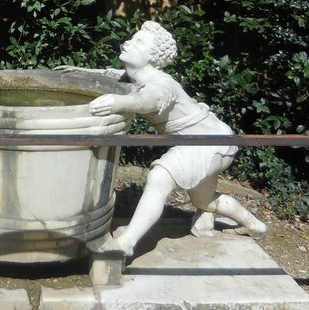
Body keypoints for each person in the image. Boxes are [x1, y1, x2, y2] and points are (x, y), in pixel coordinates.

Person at [87, 21, 266, 258]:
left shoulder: (162, 84)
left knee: (159, 177)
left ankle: (127, 242)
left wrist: (118, 102)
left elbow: (148, 101)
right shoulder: (136, 78)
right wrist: (75, 73)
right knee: (205, 203)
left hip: (206, 142)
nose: (129, 42)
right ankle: (254, 225)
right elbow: (109, 76)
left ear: (153, 57)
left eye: (139, 41)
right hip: (218, 141)